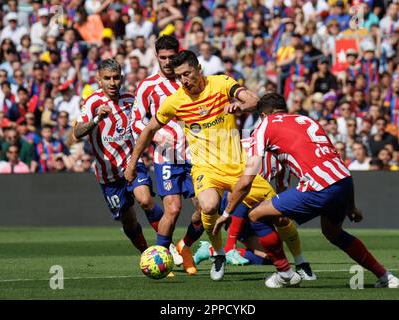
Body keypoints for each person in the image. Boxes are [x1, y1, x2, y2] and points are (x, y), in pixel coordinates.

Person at [214, 93, 399, 289]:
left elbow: (247, 179)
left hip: (318, 187)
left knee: (256, 215)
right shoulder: (306, 120)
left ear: (263, 114)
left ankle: (284, 272)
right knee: (333, 233)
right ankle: (385, 276)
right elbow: (335, 160)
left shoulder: (265, 125)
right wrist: (351, 206)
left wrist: (227, 212)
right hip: (344, 181)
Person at [125, 50, 275, 282]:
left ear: (198, 69)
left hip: (234, 163)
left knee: (272, 214)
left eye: (186, 74)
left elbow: (254, 101)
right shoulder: (171, 98)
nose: (183, 80)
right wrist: (133, 161)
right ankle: (211, 253)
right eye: (179, 76)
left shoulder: (221, 83)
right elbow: (147, 128)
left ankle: (187, 244)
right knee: (187, 207)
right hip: (188, 161)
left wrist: (239, 106)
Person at [195, 137, 317, 281]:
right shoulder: (244, 145)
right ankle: (226, 250)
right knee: (243, 196)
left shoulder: (283, 157)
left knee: (271, 251)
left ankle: (301, 263)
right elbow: (238, 189)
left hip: (254, 208)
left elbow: (281, 190)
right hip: (233, 202)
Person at [131, 35, 203, 275]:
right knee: (172, 209)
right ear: (156, 57)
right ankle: (161, 256)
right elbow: (136, 121)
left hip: (195, 155)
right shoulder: (148, 86)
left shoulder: (189, 82)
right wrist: (154, 136)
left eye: (172, 57)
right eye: (163, 58)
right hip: (166, 157)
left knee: (206, 210)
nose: (168, 62)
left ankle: (185, 245)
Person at [73, 59, 151, 258]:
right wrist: (97, 118)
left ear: (122, 78)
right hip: (109, 175)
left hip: (131, 163)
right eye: (107, 78)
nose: (112, 82)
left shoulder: (131, 100)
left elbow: (145, 127)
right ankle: (148, 254)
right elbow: (77, 132)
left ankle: (166, 246)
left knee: (144, 199)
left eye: (116, 78)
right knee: (129, 221)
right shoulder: (92, 102)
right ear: (99, 80)